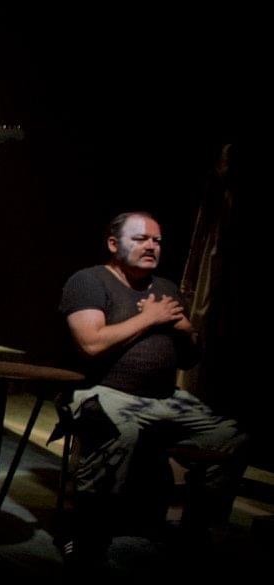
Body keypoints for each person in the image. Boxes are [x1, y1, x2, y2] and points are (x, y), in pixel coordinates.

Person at [57, 212, 248, 569]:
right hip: (106, 392)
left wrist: (184, 329)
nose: (151, 246)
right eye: (140, 239)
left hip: (166, 398)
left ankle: (195, 530)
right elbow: (91, 344)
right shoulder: (89, 281)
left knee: (230, 436)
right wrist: (150, 318)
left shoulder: (166, 288)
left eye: (156, 241)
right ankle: (86, 538)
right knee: (121, 434)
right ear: (113, 244)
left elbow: (189, 357)